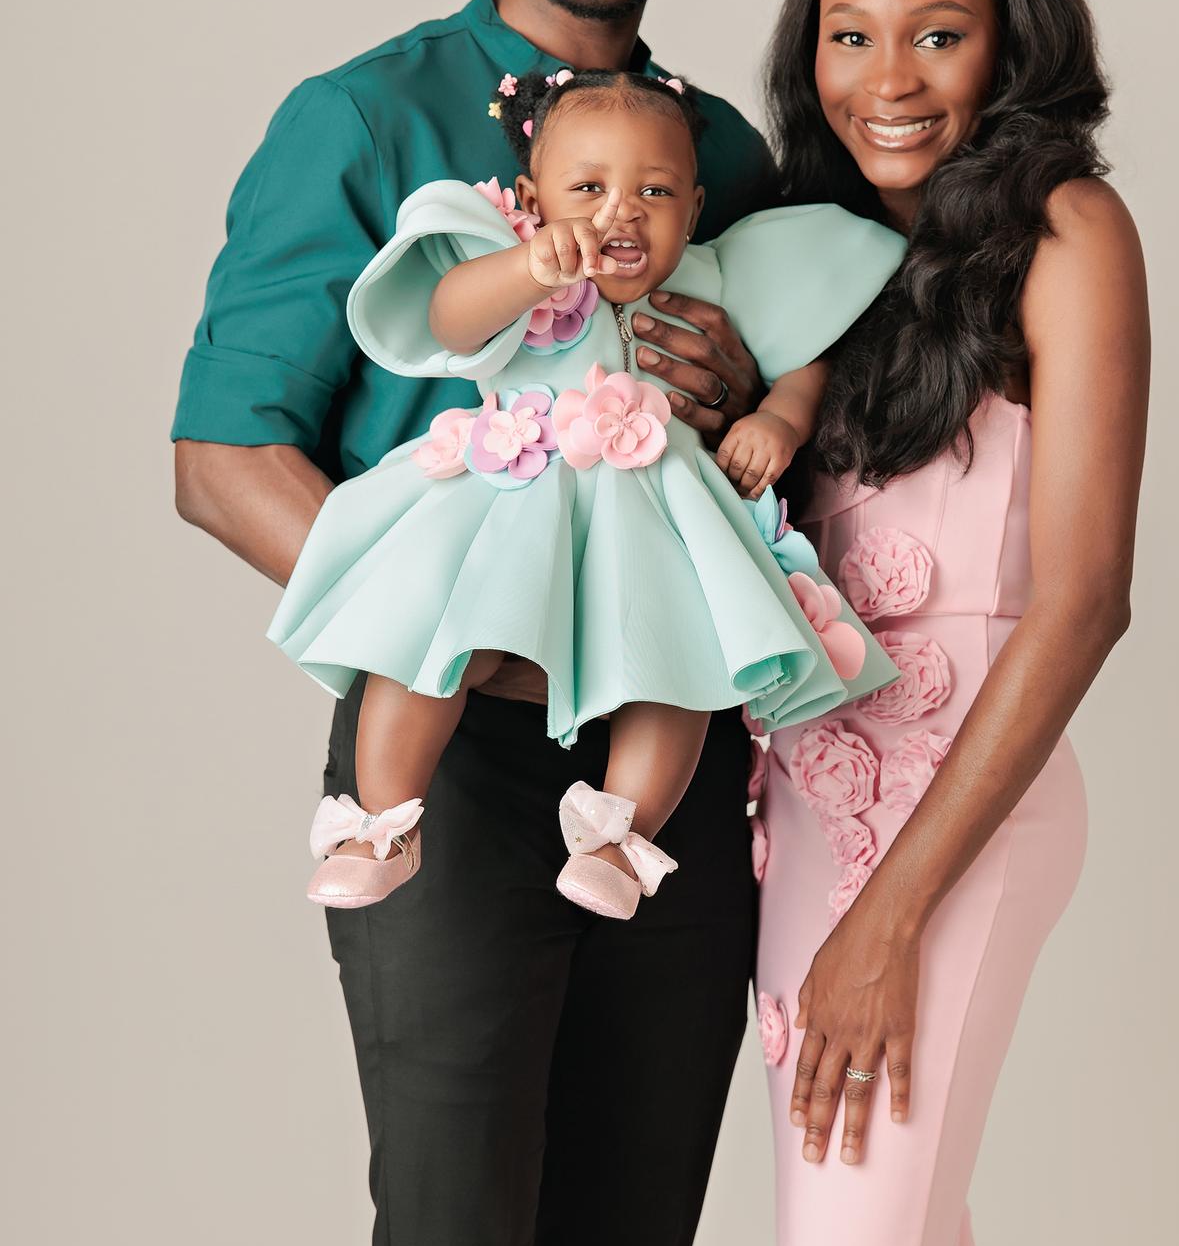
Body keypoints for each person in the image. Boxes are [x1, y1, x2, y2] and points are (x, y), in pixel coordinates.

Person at [174, 0, 775, 1246]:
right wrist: (458, 634)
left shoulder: (718, 158)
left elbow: (773, 466)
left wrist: (747, 397)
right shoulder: (359, 117)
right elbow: (223, 458)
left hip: (669, 763)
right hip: (445, 760)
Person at [750, 0, 1149, 1246]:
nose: (887, 77)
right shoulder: (810, 257)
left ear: (1009, 46)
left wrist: (888, 918)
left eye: (936, 34)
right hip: (804, 829)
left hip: (956, 838)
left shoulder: (1067, 227)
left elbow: (1085, 601)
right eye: (850, 35)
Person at [270, 64, 904, 916]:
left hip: (654, 515)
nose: (620, 209)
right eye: (587, 187)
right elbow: (449, 317)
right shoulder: (515, 272)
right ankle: (380, 822)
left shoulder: (713, 280)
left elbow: (801, 360)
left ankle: (618, 839)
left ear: (694, 206)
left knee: (677, 666)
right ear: (531, 199)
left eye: (654, 189)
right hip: (507, 496)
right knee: (428, 640)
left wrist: (778, 422)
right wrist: (529, 268)